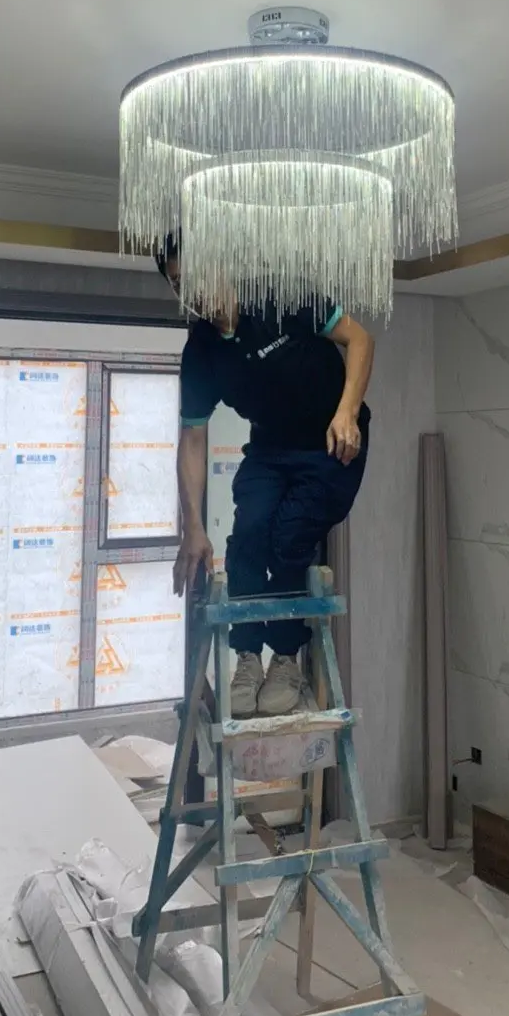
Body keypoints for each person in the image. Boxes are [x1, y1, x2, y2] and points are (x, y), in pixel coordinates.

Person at [157, 234, 374, 718]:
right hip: (270, 449)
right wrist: (192, 527)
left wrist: (347, 412)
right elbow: (192, 439)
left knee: (289, 537)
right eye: (178, 283)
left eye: (195, 275)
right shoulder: (202, 351)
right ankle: (249, 658)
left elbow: (359, 339)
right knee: (250, 533)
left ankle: (286, 658)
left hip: (330, 444)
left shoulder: (282, 296)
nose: (191, 291)